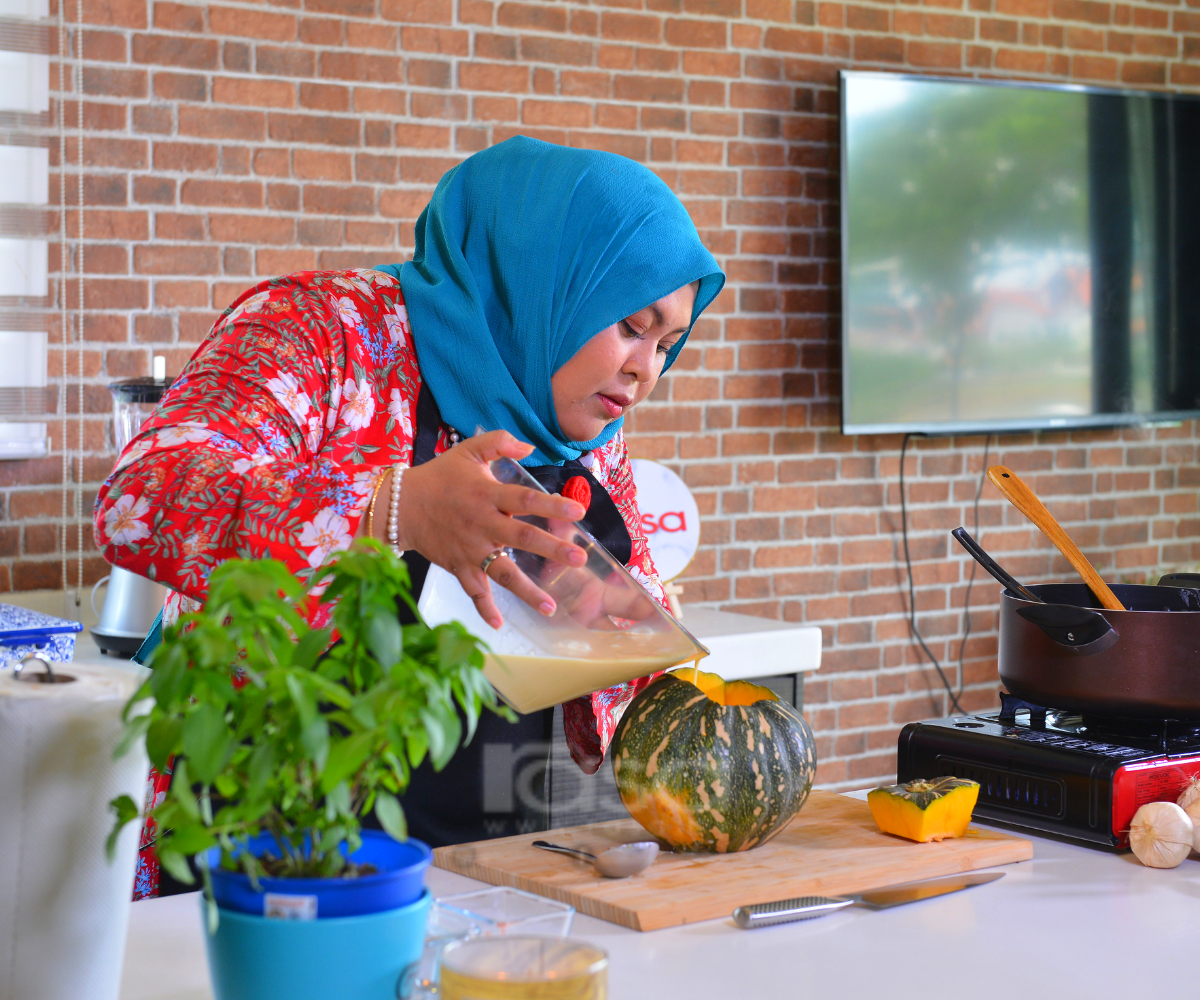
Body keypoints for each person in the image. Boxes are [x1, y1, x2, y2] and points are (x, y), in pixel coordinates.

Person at [94, 136, 725, 897]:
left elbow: (613, 641)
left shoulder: (581, 428)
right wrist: (391, 509)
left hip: (477, 862)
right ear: (549, 278)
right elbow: (145, 498)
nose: (646, 369)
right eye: (631, 324)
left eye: (667, 342)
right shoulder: (322, 328)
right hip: (249, 825)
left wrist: (636, 662)